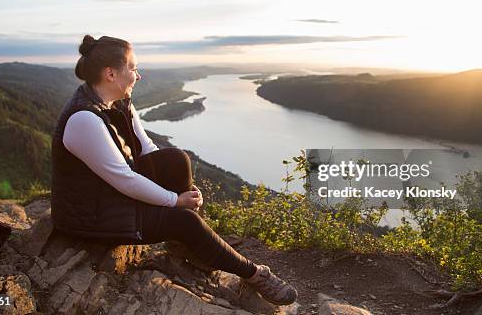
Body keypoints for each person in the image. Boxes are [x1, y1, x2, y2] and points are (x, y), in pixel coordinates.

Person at [51, 35, 298, 306]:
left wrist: (184, 189)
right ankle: (254, 274)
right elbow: (125, 180)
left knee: (177, 159)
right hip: (91, 216)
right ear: (110, 74)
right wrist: (175, 200)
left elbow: (147, 149)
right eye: (133, 69)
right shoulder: (84, 119)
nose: (138, 75)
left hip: (108, 194)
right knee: (185, 220)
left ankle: (189, 248)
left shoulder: (119, 103)